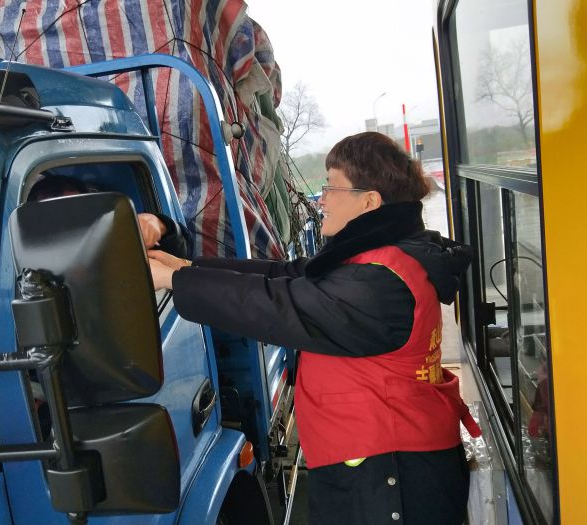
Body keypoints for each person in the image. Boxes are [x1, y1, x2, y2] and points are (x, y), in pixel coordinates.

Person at [148, 132, 479, 525]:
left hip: (393, 476)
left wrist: (173, 282)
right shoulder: (375, 258)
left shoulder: (379, 282)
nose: (321, 199)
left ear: (369, 201)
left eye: (331, 187)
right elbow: (286, 275)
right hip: (378, 464)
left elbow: (278, 306)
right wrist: (187, 268)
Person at [27, 174, 192, 258]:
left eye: (77, 211)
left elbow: (181, 259)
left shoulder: (109, 247)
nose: (69, 222)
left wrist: (161, 225)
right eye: (57, 216)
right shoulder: (31, 268)